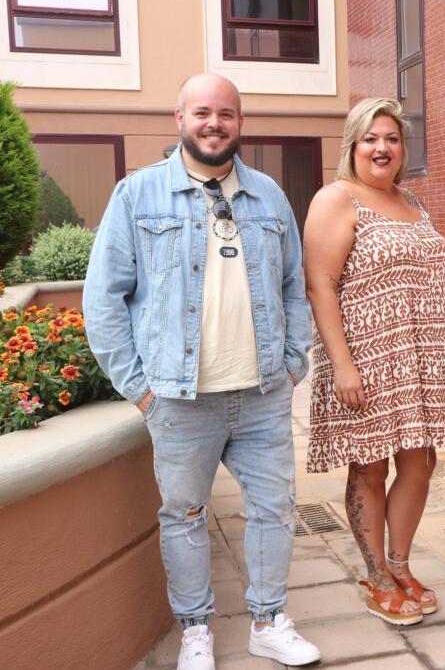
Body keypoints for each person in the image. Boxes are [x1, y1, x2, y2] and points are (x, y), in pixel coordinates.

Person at [83, 74, 320, 670]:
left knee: (276, 511)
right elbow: (103, 298)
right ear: (180, 118)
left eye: (227, 114)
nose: (214, 124)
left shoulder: (269, 195)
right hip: (179, 399)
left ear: (241, 122)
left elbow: (295, 287)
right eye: (202, 113)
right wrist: (140, 391)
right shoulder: (137, 196)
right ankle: (196, 630)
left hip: (263, 392)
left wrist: (294, 362)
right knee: (184, 516)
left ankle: (269, 621)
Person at [303, 98, 445, 626]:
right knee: (370, 466)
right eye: (371, 138)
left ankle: (400, 565)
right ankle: (375, 576)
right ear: (353, 146)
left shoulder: (413, 201)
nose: (382, 148)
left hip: (420, 357)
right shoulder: (337, 199)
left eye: (392, 139)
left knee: (419, 464)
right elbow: (320, 286)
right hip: (366, 357)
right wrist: (343, 365)